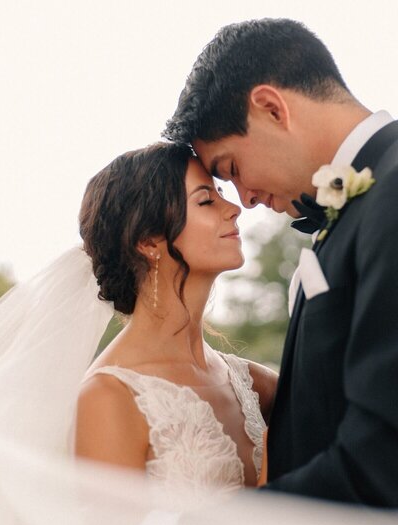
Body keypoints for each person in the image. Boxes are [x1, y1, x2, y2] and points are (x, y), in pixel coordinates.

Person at [163, 18, 398, 506]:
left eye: (231, 168)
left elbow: (383, 459)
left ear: (271, 108)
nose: (244, 199)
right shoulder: (358, 206)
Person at [75, 142, 277, 502]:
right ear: (149, 241)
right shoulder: (110, 396)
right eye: (206, 201)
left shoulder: (252, 384)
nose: (234, 209)